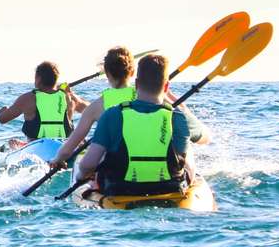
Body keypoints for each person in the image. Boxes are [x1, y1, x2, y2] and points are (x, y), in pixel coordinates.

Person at [73, 54, 210, 197]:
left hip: (120, 188)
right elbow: (206, 139)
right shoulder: (179, 116)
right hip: (170, 187)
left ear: (137, 84)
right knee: (186, 144)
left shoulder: (111, 115)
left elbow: (88, 165)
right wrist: (185, 111)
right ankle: (188, 180)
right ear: (166, 87)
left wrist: (81, 177)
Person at [49, 46, 135, 171]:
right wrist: (70, 94)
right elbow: (83, 107)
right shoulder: (147, 98)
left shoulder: (97, 106)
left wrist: (56, 159)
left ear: (107, 74)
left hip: (113, 170)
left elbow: (68, 149)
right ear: (132, 72)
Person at [0, 60, 87, 141]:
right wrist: (71, 94)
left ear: (38, 78)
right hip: (64, 147)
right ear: (56, 79)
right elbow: (88, 109)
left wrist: (2, 112)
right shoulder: (67, 96)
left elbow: (3, 119)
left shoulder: (27, 98)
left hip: (37, 148)